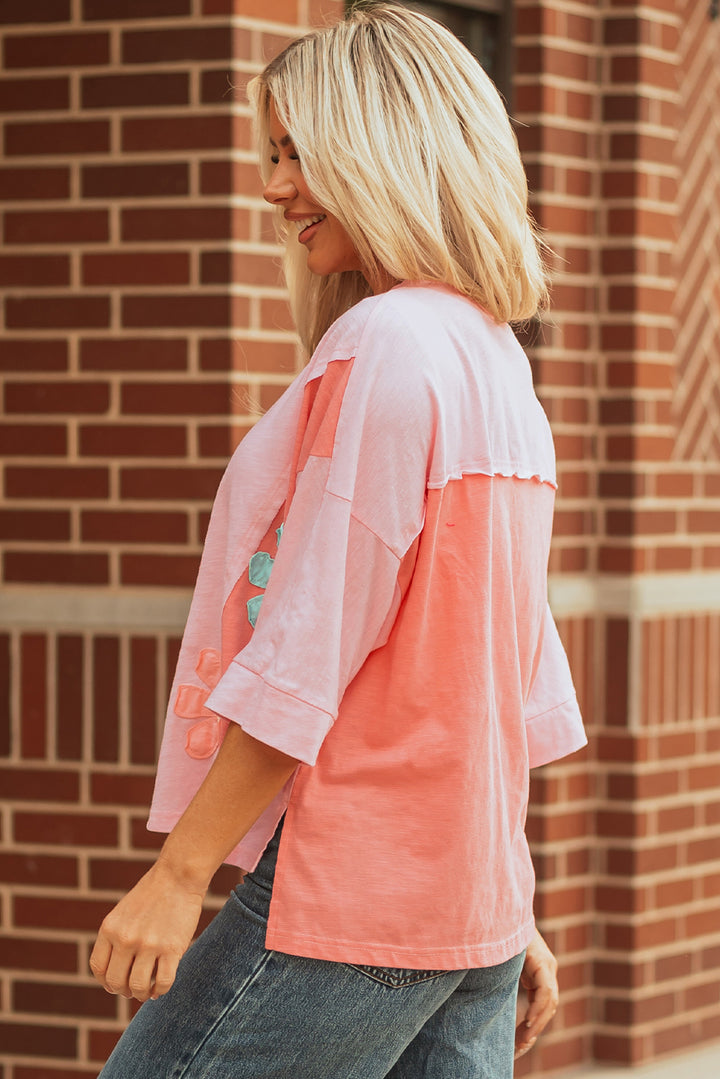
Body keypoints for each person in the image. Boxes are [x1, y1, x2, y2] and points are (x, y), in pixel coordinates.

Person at [90, 4, 587, 1077]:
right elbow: (486, 677)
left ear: (384, 144)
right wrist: (506, 907)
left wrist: (177, 877)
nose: (273, 190)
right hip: (461, 904)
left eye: (295, 153)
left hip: (356, 895)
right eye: (270, 155)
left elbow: (312, 643)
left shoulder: (389, 344)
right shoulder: (496, 360)